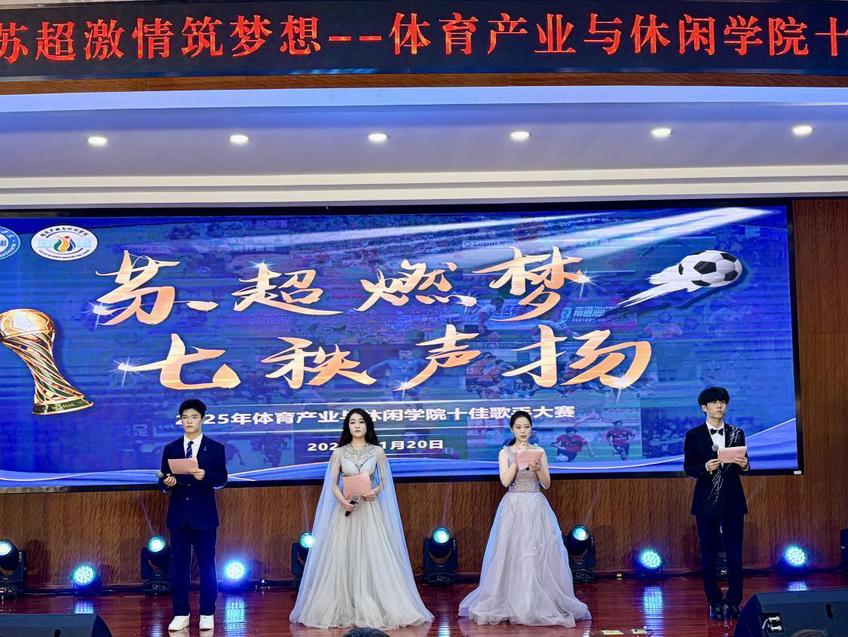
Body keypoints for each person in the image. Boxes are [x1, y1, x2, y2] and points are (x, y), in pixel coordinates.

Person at [290, 408, 433, 629]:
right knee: (342, 555)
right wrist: (343, 501)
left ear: (368, 425)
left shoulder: (377, 452)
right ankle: (345, 604)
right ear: (347, 426)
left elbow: (384, 480)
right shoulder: (339, 453)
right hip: (345, 512)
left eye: (361, 422)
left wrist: (374, 491)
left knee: (372, 554)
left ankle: (374, 603)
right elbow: (332, 484)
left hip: (370, 511)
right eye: (352, 422)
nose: (357, 426)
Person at [459, 411, 591, 627]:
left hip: (536, 504)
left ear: (531, 428)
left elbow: (547, 484)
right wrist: (516, 461)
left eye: (526, 427)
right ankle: (511, 600)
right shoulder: (505, 453)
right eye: (519, 427)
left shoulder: (539, 451)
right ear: (512, 429)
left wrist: (538, 470)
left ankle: (536, 601)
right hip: (513, 505)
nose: (523, 431)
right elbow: (504, 482)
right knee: (511, 552)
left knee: (537, 553)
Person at [159, 399, 228, 632]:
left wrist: (204, 476)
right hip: (179, 516)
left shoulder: (215, 448)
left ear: (202, 419)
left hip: (204, 517)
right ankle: (181, 613)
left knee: (207, 566)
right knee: (179, 568)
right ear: (180, 420)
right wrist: (167, 483)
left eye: (194, 417)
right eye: (185, 417)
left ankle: (207, 612)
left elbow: (221, 479)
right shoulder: (171, 448)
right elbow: (163, 481)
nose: (189, 421)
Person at [683, 387, 750, 621]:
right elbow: (689, 467)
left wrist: (745, 465)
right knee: (709, 552)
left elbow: (745, 465)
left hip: (733, 500)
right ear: (704, 407)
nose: (719, 406)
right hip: (707, 501)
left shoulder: (736, 432)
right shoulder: (694, 435)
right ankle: (714, 601)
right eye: (714, 402)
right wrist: (704, 468)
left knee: (735, 552)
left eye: (723, 402)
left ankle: (734, 601)